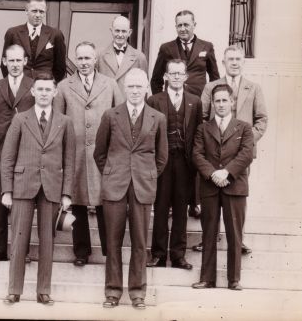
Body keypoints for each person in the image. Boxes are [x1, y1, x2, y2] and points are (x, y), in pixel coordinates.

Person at [93, 68, 168, 310]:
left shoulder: (158, 118)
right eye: (131, 86)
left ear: (147, 88)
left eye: (139, 86)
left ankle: (137, 293)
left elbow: (161, 157)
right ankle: (113, 291)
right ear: (125, 89)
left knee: (139, 241)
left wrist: (146, 175)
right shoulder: (110, 115)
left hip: (143, 187)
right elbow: (100, 153)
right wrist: (112, 172)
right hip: (115, 185)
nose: (135, 91)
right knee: (113, 241)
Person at [0, 72, 76, 306]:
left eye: (48, 89)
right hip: (23, 186)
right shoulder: (20, 119)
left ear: (55, 92)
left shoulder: (65, 122)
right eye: (39, 89)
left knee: (47, 241)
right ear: (32, 92)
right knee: (19, 239)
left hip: (52, 187)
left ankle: (43, 291)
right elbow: (8, 157)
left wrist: (66, 193)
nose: (44, 93)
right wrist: (7, 190)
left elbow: (70, 160)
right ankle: (14, 290)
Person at [192, 45, 268, 255]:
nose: (234, 62)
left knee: (237, 197)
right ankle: (209, 237)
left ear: (243, 62)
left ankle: (238, 239)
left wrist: (245, 142)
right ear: (224, 63)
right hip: (213, 153)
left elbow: (262, 119)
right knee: (211, 195)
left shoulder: (253, 88)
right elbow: (203, 116)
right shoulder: (211, 87)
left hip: (240, 156)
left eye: (238, 59)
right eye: (230, 59)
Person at [54, 41, 124, 267]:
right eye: (80, 58)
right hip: (74, 153)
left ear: (96, 60)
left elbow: (120, 116)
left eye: (88, 58)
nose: (84, 63)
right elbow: (58, 122)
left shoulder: (110, 84)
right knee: (78, 203)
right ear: (76, 60)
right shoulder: (64, 86)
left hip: (103, 154)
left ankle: (109, 250)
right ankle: (81, 251)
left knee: (105, 202)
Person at [150, 10, 219, 219]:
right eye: (179, 25)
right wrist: (163, 104)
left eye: (186, 25)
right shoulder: (167, 48)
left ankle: (194, 202)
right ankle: (170, 203)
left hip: (198, 108)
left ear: (194, 25)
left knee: (196, 151)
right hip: (173, 109)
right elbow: (155, 80)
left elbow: (215, 80)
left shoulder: (206, 47)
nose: (183, 29)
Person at [192, 84, 253, 291]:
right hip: (210, 186)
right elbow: (197, 155)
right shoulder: (203, 128)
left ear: (232, 102)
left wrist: (226, 172)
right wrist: (212, 174)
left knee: (234, 234)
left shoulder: (244, 127)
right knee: (208, 232)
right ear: (213, 103)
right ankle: (207, 278)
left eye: (224, 100)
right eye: (217, 101)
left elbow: (246, 154)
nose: (220, 104)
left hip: (234, 186)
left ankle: (233, 279)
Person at [146, 59, 202, 271]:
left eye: (180, 73)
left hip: (184, 163)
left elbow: (197, 133)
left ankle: (178, 255)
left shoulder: (195, 102)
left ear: (186, 77)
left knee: (181, 208)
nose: (176, 77)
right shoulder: (154, 101)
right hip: (162, 161)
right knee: (160, 207)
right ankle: (158, 255)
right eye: (173, 73)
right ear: (166, 77)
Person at [0, 44, 35, 262]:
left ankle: (20, 250)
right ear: (4, 62)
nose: (15, 65)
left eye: (18, 60)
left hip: (26, 150)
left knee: (22, 203)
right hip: (0, 150)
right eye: (10, 61)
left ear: (25, 62)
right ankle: (0, 250)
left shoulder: (33, 86)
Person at [0, 0, 67, 81]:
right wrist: (14, 83)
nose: (38, 15)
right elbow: (4, 64)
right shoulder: (13, 33)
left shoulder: (55, 34)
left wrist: (49, 84)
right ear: (26, 11)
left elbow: (60, 67)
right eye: (34, 11)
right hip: (19, 87)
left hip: (44, 88)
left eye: (41, 11)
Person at [97, 15, 148, 93]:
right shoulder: (100, 56)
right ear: (111, 31)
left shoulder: (140, 57)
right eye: (117, 31)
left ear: (129, 32)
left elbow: (144, 88)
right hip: (107, 104)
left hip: (128, 104)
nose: (120, 35)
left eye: (123, 31)